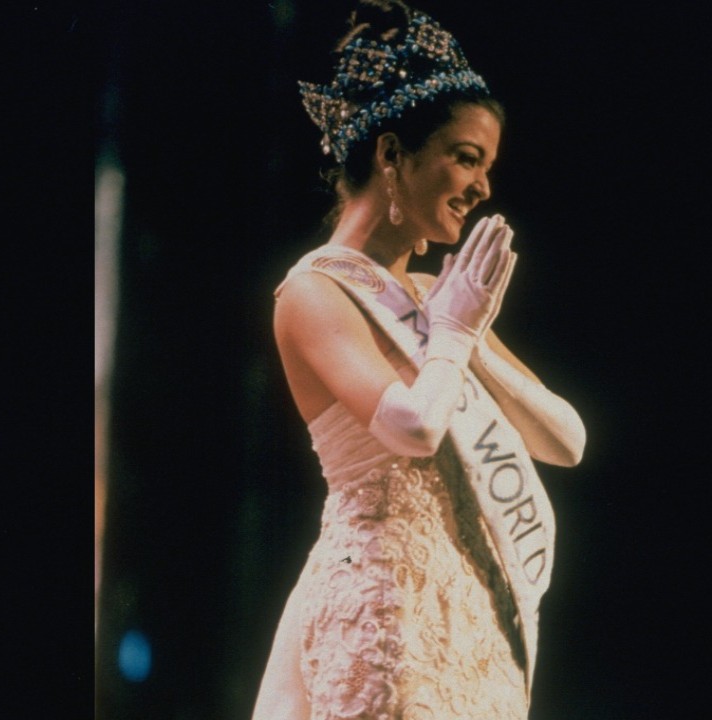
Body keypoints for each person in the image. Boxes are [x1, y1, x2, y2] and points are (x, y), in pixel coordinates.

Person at [252, 2, 585, 718]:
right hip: (383, 599)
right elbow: (410, 428)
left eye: (488, 166)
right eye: (466, 157)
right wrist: (454, 337)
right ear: (392, 155)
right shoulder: (314, 290)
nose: (483, 186)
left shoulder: (441, 298)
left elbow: (567, 440)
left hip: (473, 606)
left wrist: (466, 336)